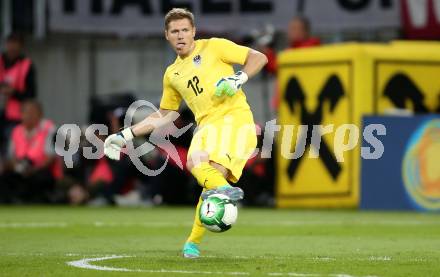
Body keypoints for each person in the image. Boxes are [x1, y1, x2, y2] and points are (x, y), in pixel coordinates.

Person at [103, 8, 267, 258]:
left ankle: (217, 200)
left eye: (184, 30)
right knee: (206, 177)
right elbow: (164, 114)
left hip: (235, 120)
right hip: (207, 125)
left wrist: (238, 78)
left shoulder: (215, 47)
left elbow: (259, 57)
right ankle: (195, 240)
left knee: (197, 164)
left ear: (193, 32)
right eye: (175, 31)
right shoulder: (172, 74)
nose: (180, 35)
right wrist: (124, 135)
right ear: (166, 35)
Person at [0, 100, 60, 203]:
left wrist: (33, 169)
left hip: (42, 170)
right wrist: (18, 167)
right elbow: (11, 157)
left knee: (41, 177)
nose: (28, 116)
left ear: (40, 114)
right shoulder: (16, 131)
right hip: (21, 170)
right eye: (25, 112)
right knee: (6, 177)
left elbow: (50, 157)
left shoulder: (49, 129)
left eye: (32, 112)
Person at [0, 33, 37, 154]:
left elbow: (31, 94)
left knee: (10, 149)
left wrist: (14, 92)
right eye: (10, 44)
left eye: (16, 45)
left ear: (21, 47)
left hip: (15, 118)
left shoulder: (27, 65)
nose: (12, 48)